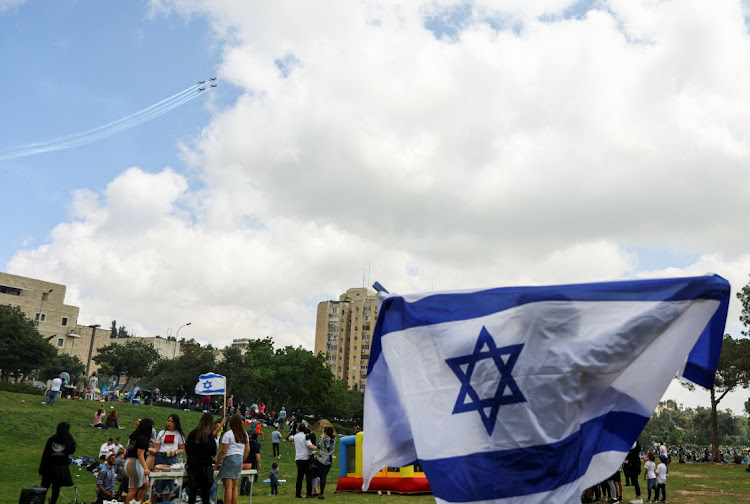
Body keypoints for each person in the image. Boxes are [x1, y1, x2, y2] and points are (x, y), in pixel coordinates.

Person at [214, 413, 250, 504]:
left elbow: (223, 451)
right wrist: (242, 459)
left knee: (228, 487)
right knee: (235, 487)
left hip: (229, 459)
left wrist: (217, 464)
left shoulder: (228, 434)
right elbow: (248, 449)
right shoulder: (244, 434)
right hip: (239, 459)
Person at [151, 414, 186, 502]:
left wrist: (174, 452)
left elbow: (182, 449)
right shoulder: (162, 432)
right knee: (156, 484)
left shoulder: (179, 435)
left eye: (172, 421)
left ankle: (165, 502)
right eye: (168, 421)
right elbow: (158, 446)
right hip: (160, 457)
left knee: (168, 484)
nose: (169, 423)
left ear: (176, 423)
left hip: (171, 459)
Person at [185, 413, 219, 504]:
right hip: (205, 465)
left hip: (193, 464)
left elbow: (187, 448)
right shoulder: (209, 435)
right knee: (205, 491)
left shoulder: (193, 434)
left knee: (193, 489)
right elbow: (213, 451)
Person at [39, 422, 76, 504]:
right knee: (56, 488)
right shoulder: (67, 440)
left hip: (48, 468)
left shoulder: (51, 439)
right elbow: (72, 450)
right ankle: (53, 502)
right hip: (60, 469)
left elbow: (45, 454)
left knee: (44, 487)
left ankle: (40, 501)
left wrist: (41, 468)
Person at [125, 417, 154, 504]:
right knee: (133, 490)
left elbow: (130, 448)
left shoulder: (134, 436)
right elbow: (140, 454)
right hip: (136, 463)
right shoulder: (143, 438)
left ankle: (139, 502)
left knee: (145, 484)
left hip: (129, 461)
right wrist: (146, 468)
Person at [294, 423, 316, 498]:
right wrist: (315, 448)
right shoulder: (306, 437)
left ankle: (298, 493)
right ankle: (309, 493)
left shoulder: (295, 436)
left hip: (298, 457)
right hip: (306, 458)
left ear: (298, 429)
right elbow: (310, 446)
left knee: (299, 476)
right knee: (308, 476)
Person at [316, 426, 335, 500]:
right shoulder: (333, 439)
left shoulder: (323, 439)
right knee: (324, 476)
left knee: (321, 476)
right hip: (329, 460)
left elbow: (319, 446)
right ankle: (322, 492)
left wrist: (321, 437)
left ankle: (321, 493)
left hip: (322, 459)